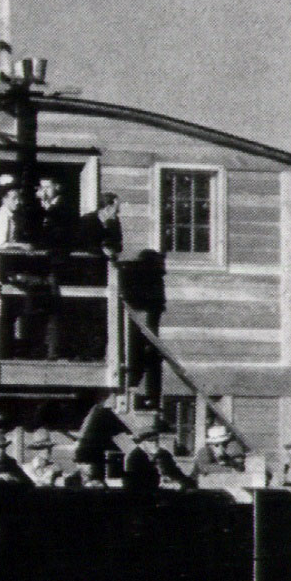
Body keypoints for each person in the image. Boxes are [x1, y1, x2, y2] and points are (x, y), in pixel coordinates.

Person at [119, 249, 166, 409]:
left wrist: (152, 338)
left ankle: (151, 398)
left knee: (152, 358)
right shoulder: (136, 274)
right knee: (138, 356)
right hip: (132, 326)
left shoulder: (155, 279)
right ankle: (138, 390)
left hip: (143, 328)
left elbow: (155, 312)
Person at [123, 418, 195, 494]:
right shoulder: (134, 457)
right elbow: (132, 483)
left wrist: (187, 483)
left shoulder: (163, 454)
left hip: (163, 492)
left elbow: (175, 472)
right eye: (150, 441)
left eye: (156, 440)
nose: (154, 444)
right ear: (142, 443)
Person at [75, 192, 124, 258]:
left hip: (107, 259)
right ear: (107, 208)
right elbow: (82, 245)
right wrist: (102, 250)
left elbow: (119, 246)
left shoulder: (115, 222)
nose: (118, 211)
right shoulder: (87, 220)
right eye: (116, 208)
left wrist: (111, 249)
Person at [0, 183, 21, 249]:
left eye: (18, 198)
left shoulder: (10, 216)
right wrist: (21, 246)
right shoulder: (1, 217)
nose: (17, 202)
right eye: (14, 198)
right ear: (4, 199)